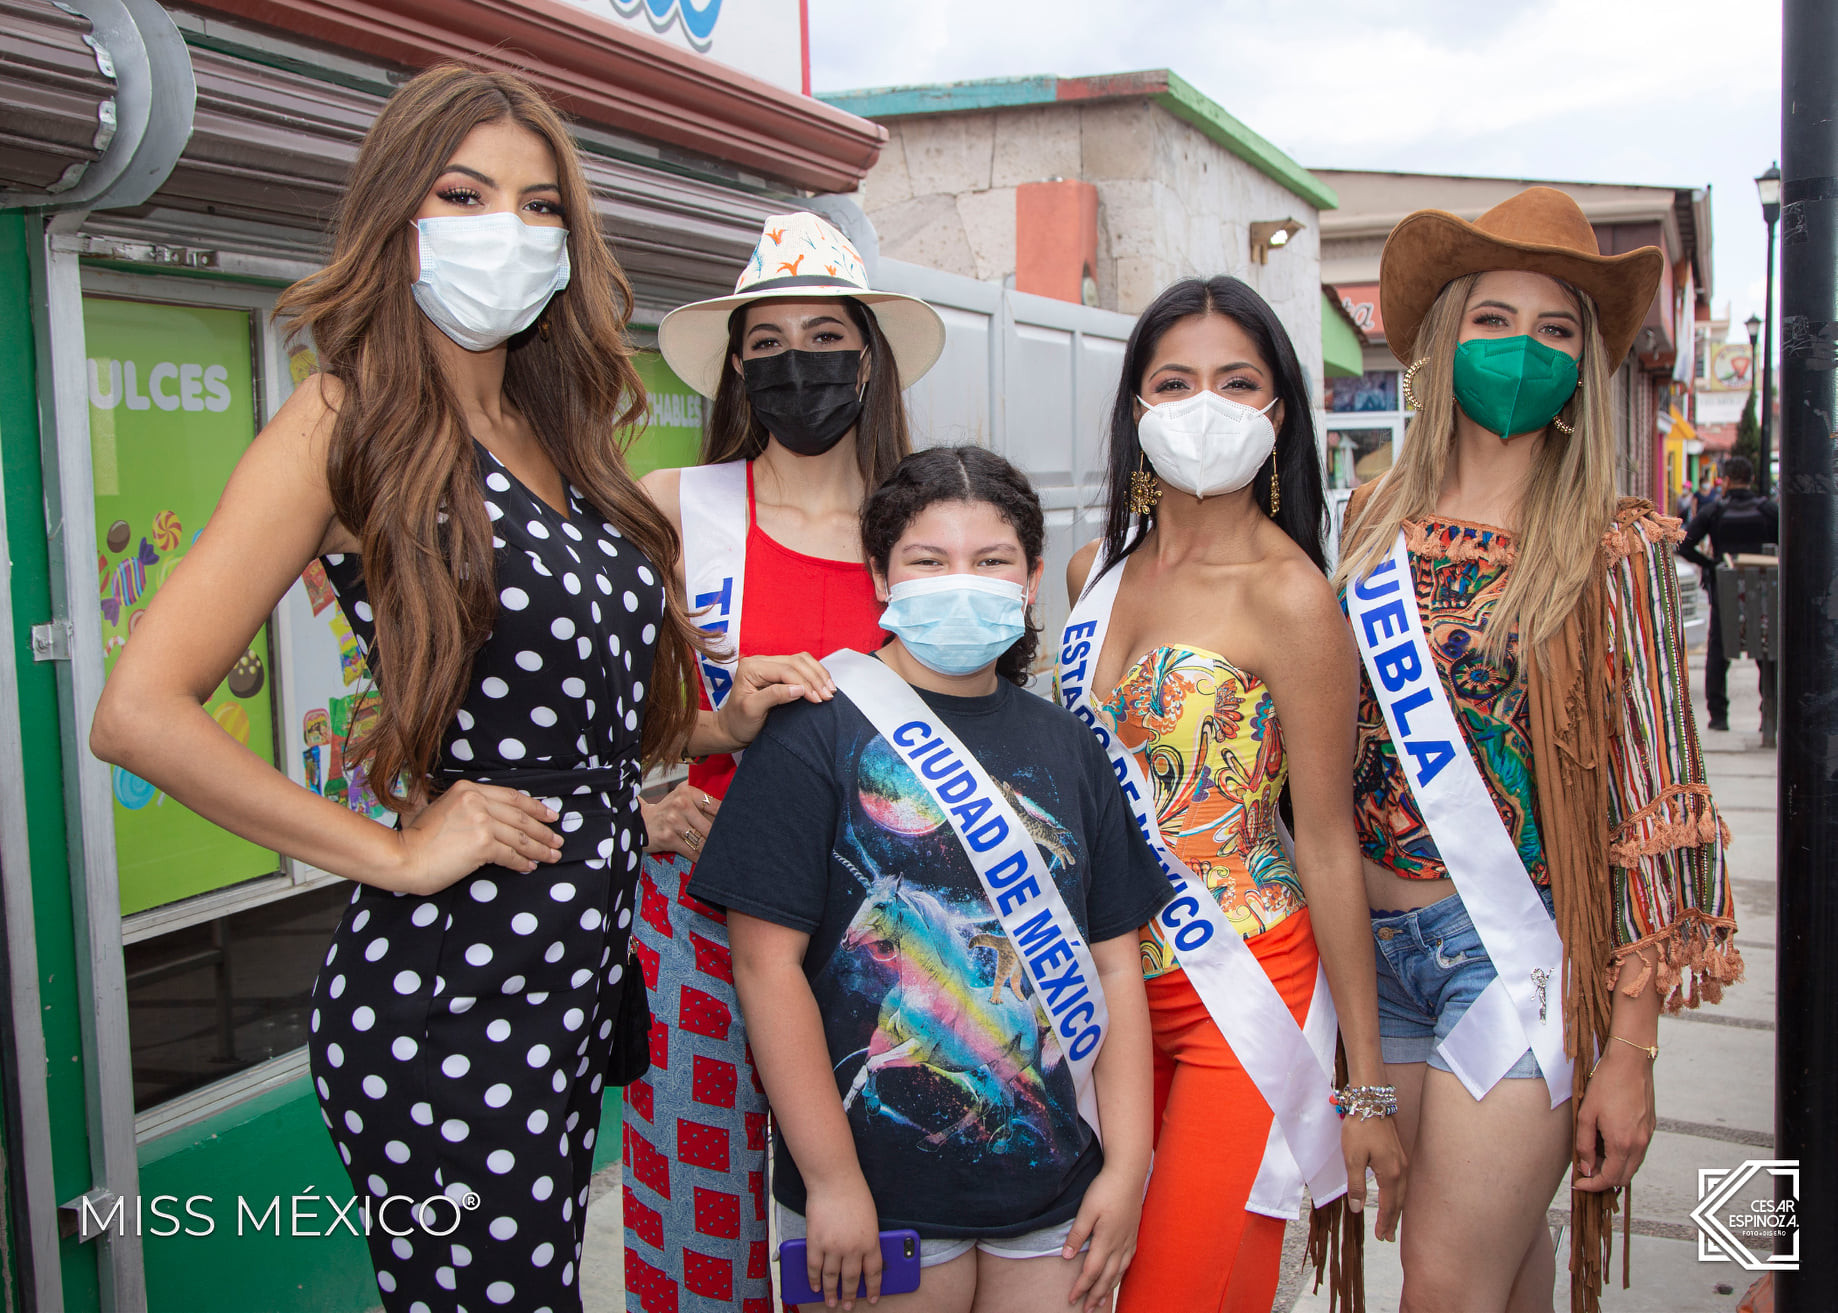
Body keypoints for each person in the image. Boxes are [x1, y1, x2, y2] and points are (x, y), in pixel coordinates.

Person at [87, 64, 816, 1313]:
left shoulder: (564, 436)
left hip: (571, 974)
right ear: (396, 217)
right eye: (465, 192)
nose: (510, 230)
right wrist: (392, 850)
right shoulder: (345, 419)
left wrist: (711, 726)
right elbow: (137, 709)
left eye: (542, 207)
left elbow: (549, 727)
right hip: (448, 999)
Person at [1334, 187, 1741, 1313]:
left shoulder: (1612, 545)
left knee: (1439, 1284)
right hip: (1369, 961)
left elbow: (1655, 797)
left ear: (1584, 366)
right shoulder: (1369, 518)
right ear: (1442, 340)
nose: (1522, 350)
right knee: (1497, 1276)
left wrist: (1630, 1048)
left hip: (1505, 963)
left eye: (1555, 329)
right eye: (1493, 320)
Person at [690, 446, 1171, 1313]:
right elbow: (766, 968)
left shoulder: (1067, 743)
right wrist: (832, 1181)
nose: (963, 580)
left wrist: (1127, 1168)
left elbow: (1114, 967)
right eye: (928, 559)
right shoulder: (813, 732)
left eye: (991, 561)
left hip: (1054, 1195)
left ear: (1030, 581)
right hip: (875, 1205)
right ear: (881, 575)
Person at [1058, 276, 1406, 1313]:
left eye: (1234, 381)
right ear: (1134, 410)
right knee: (1082, 1286)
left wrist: (1367, 1085)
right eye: (1173, 382)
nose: (1201, 406)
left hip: (1239, 994)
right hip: (1099, 994)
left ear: (1277, 413)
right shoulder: (1091, 572)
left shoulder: (1290, 596)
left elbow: (1329, 843)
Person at [623, 211, 947, 1313]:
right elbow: (598, 719)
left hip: (886, 937)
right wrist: (653, 798)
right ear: (734, 370)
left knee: (879, 1231)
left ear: (868, 355)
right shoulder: (674, 507)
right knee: (698, 1232)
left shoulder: (925, 525)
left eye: (820, 337)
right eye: (763, 346)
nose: (793, 363)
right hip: (703, 922)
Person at [1678, 454, 1778, 732]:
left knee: (1719, 651)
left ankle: (1718, 716)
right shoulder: (1769, 511)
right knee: (1766, 650)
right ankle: (1769, 709)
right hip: (1763, 597)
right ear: (1752, 481)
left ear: (1729, 481)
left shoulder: (1715, 512)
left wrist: (1711, 565)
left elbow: (1683, 545)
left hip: (1725, 595)